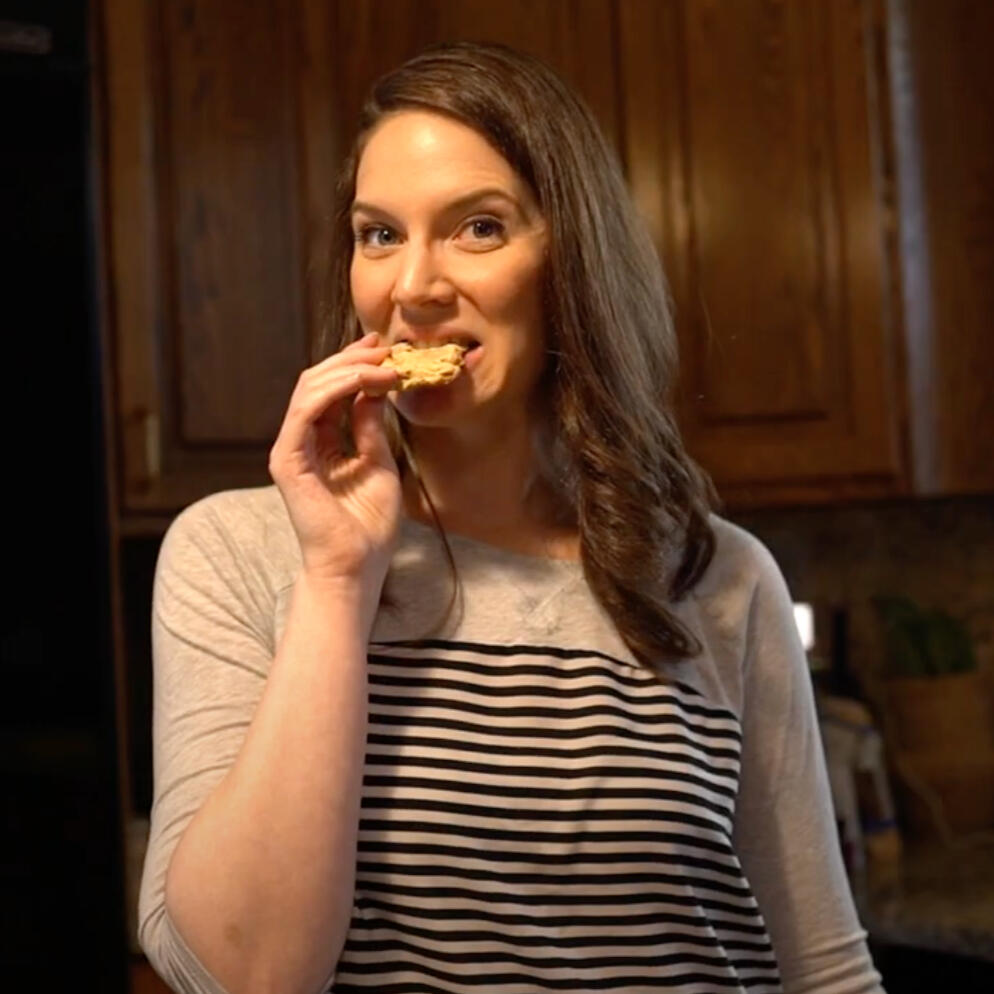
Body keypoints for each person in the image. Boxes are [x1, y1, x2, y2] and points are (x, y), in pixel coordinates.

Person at [138, 41, 885, 994]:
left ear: (569, 262)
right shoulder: (238, 553)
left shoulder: (718, 578)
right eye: (378, 235)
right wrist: (336, 579)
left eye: (477, 229)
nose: (412, 288)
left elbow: (822, 966)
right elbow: (248, 976)